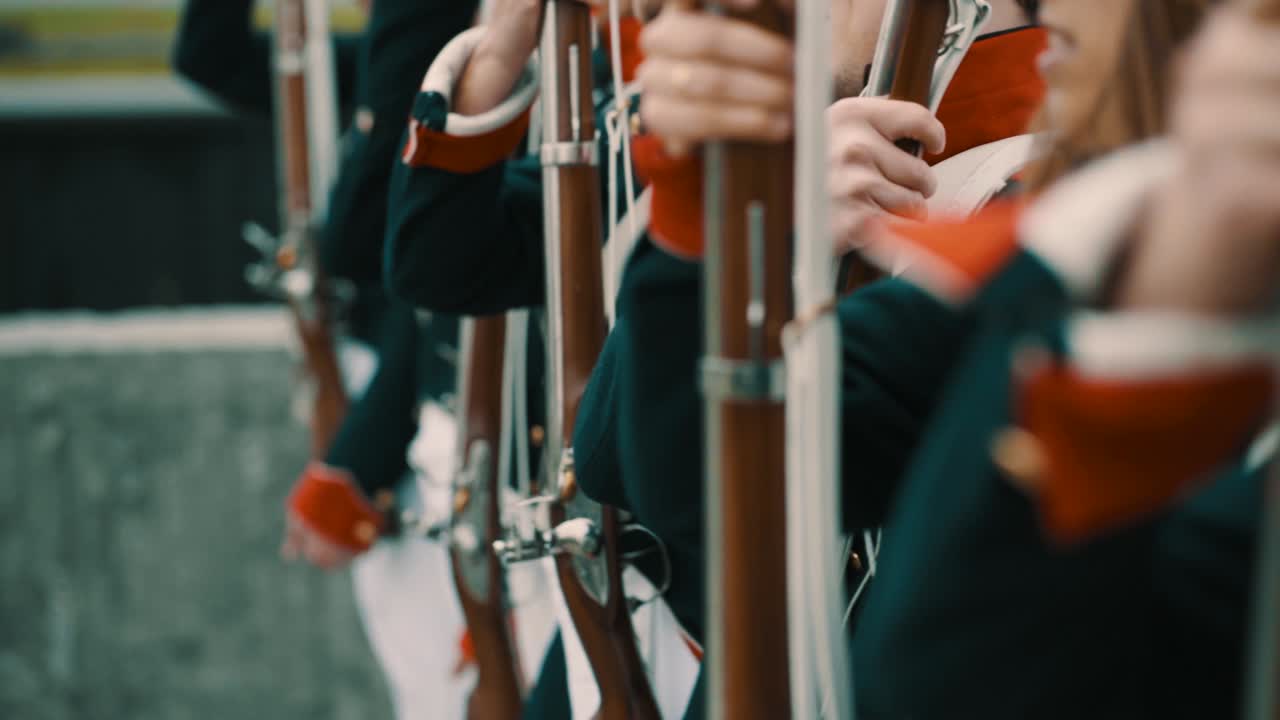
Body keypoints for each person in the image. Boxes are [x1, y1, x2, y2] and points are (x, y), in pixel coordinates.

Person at [172, 3, 518, 719]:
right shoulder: (391, 33)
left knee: (449, 684)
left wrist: (365, 449)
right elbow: (211, 55)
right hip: (382, 371)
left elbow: (439, 272)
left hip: (435, 393)